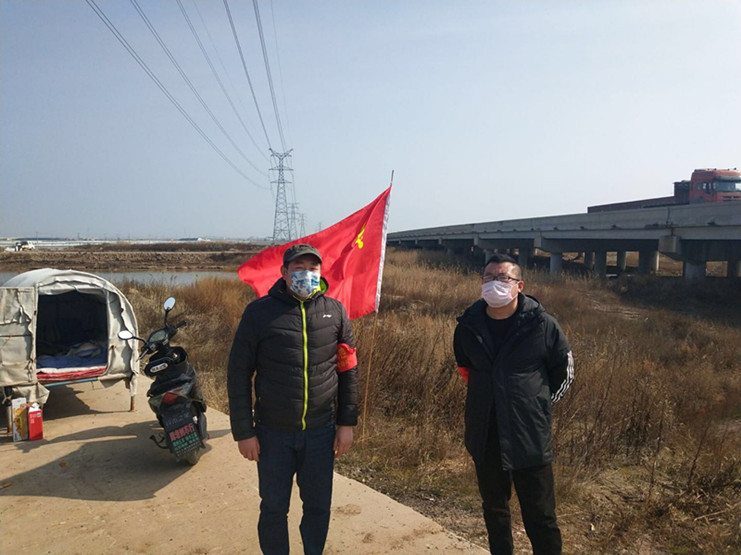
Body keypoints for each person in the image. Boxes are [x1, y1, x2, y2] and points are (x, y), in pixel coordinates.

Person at [227, 244, 358, 555]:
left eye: (313, 269)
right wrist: (244, 432)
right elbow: (238, 373)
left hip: (320, 433)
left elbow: (348, 371)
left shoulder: (335, 312)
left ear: (321, 272)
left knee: (318, 507)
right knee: (273, 509)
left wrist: (346, 423)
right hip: (273, 434)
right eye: (299, 268)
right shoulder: (259, 313)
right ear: (284, 273)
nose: (306, 274)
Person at [453, 253, 574, 555]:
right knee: (494, 509)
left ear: (519, 285)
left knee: (540, 516)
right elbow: (466, 369)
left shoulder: (542, 325)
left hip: (528, 435)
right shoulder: (468, 326)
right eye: (488, 277)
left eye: (502, 278)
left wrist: (536, 406)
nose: (494, 283)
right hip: (485, 433)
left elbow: (563, 371)